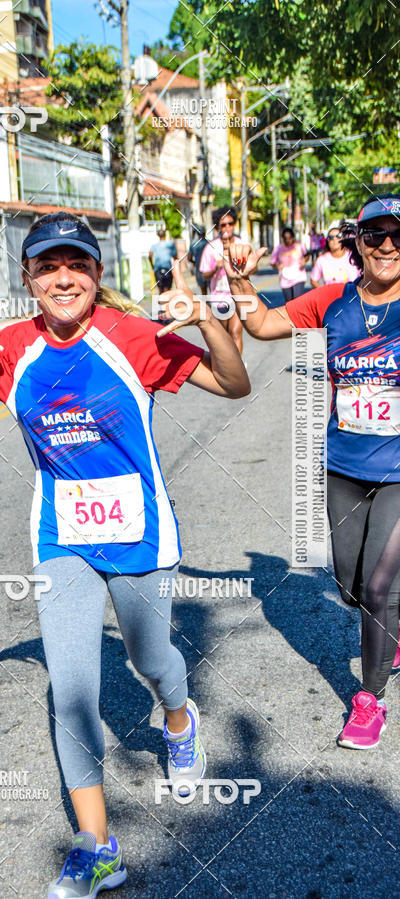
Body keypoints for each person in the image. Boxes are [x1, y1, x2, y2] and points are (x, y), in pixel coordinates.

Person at [0, 212, 250, 897]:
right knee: (71, 689)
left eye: (77, 265)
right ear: (29, 278)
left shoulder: (135, 337)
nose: (63, 278)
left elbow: (234, 384)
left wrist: (208, 320)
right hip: (61, 538)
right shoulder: (8, 347)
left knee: (151, 659)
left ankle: (179, 719)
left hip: (141, 534)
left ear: (96, 274)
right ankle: (97, 845)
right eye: (48, 267)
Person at [223, 193, 400, 751]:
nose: (388, 245)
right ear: (357, 243)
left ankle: (369, 700)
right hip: (343, 465)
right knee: (351, 586)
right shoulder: (334, 300)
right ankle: (391, 625)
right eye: (375, 234)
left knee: (380, 587)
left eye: (398, 235)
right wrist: (240, 282)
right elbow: (263, 324)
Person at [199, 205, 244, 354]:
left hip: (238, 296)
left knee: (236, 332)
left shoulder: (241, 244)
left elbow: (253, 269)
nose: (227, 227)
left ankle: (238, 365)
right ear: (218, 227)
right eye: (223, 225)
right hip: (219, 298)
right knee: (224, 336)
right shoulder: (211, 247)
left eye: (230, 223)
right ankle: (227, 364)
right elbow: (204, 275)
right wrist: (216, 268)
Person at [270, 226, 308, 301]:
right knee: (289, 302)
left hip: (298, 276)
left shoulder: (299, 245)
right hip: (285, 278)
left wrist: (304, 260)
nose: (287, 240)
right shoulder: (278, 248)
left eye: (289, 238)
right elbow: (272, 262)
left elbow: (307, 255)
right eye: (285, 238)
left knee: (297, 300)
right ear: (282, 238)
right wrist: (277, 266)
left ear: (293, 237)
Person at [149, 227, 177, 293]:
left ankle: (162, 298)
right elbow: (175, 257)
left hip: (158, 270)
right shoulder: (170, 245)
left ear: (158, 236)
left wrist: (152, 265)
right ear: (165, 235)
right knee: (167, 290)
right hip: (168, 269)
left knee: (160, 290)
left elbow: (150, 256)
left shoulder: (154, 246)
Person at [188, 223, 209, 294]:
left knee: (203, 292)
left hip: (199, 270)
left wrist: (195, 262)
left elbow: (189, 258)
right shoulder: (209, 243)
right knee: (212, 290)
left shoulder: (193, 244)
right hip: (209, 269)